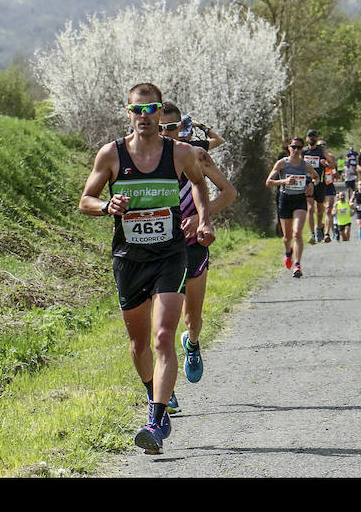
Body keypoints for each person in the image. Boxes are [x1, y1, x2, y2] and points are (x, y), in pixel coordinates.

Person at [79, 83, 214, 455]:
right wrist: (107, 207)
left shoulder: (180, 153)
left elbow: (201, 187)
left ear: (159, 112)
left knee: (162, 337)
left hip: (170, 255)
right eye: (137, 110)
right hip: (128, 258)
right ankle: (157, 392)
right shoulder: (111, 154)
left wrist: (203, 221)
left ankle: (154, 421)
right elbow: (85, 199)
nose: (144, 116)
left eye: (151, 109)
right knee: (138, 344)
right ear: (128, 112)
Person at [159, 102, 236, 407]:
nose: (165, 133)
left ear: (181, 128)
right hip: (158, 249)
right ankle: (166, 393)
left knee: (192, 318)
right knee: (161, 326)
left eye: (171, 128)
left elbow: (229, 192)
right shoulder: (142, 159)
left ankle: (192, 343)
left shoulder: (196, 155)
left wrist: (201, 218)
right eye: (160, 127)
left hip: (192, 245)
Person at [266, 137, 320, 278]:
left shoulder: (305, 165)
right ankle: (288, 252)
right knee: (287, 237)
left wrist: (312, 184)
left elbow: (316, 176)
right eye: (294, 147)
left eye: (299, 147)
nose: (296, 150)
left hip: (300, 200)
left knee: (297, 233)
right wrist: (284, 181)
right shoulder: (282, 163)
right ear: (288, 147)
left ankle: (297, 265)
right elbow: (269, 182)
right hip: (285, 200)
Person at [302, 130, 335, 244]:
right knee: (310, 208)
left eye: (314, 136)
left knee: (319, 210)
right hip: (307, 182)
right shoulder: (303, 152)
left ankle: (319, 227)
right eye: (310, 136)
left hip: (320, 183)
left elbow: (332, 165)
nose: (312, 138)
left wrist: (325, 164)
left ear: (316, 138)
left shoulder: (321, 151)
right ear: (306, 139)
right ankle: (312, 234)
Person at [317, 139, 338, 242]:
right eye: (320, 145)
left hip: (329, 184)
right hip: (318, 184)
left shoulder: (331, 156)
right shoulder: (315, 156)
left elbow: (334, 167)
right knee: (319, 210)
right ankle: (319, 229)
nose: (322, 146)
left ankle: (327, 233)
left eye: (324, 145)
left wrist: (330, 168)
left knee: (329, 209)